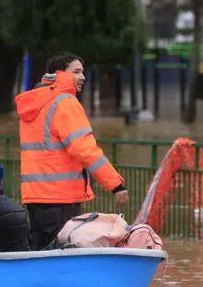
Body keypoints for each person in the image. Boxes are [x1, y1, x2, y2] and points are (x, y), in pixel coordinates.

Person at [14, 51, 129, 250]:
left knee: (40, 253)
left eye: (82, 72)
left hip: (35, 196)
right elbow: (85, 150)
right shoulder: (65, 103)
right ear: (60, 74)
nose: (82, 77)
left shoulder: (34, 104)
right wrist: (116, 185)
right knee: (62, 255)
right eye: (76, 72)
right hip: (61, 198)